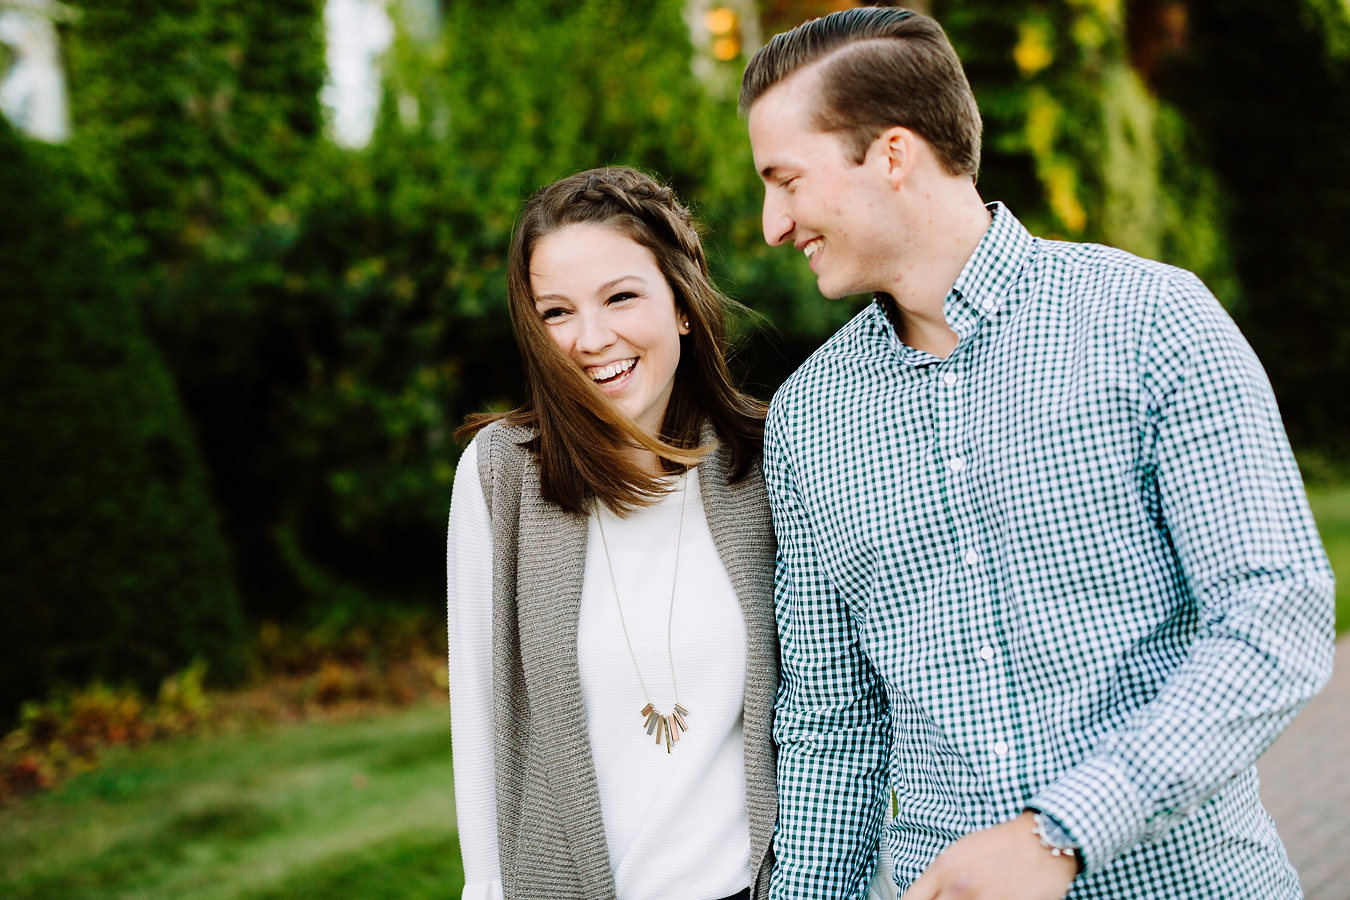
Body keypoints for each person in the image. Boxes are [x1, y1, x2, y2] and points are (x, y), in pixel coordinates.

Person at [739, 7, 1335, 900]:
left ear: (891, 156)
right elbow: (835, 730)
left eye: (785, 180)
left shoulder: (1152, 323)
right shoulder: (807, 420)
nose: (771, 224)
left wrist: (1061, 833)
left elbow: (1273, 617)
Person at [445, 167, 778, 900]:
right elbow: (480, 724)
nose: (592, 339)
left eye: (621, 297)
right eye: (556, 312)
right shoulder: (500, 476)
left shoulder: (766, 461)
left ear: (683, 304)